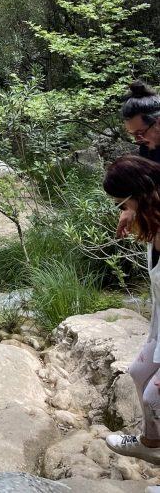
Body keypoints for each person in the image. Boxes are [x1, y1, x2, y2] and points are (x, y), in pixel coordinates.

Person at [102, 154, 160, 493]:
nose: (120, 210)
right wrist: (131, 211)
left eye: (121, 202)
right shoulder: (152, 219)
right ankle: (152, 444)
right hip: (159, 324)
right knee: (139, 375)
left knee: (155, 398)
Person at [116, 82, 160, 240]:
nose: (138, 140)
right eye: (133, 135)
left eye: (140, 133)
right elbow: (146, 183)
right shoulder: (147, 145)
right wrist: (130, 208)